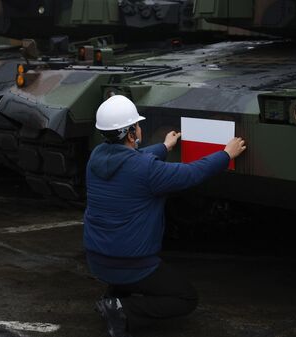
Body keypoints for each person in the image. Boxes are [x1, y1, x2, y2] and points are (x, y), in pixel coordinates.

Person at [83, 95, 246, 337]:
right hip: (132, 263)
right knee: (185, 297)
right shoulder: (147, 171)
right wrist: (225, 154)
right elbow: (192, 173)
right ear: (130, 134)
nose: (140, 128)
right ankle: (120, 308)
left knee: (125, 273)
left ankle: (114, 294)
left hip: (96, 259)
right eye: (137, 125)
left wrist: (164, 146)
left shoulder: (96, 157)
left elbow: (133, 160)